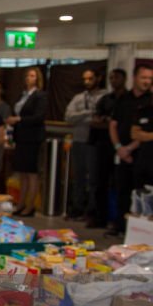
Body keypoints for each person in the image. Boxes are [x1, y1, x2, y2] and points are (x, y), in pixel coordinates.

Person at [108, 65, 153, 236]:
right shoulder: (123, 99)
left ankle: (140, 232)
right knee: (122, 190)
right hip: (122, 152)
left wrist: (131, 147)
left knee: (141, 194)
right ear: (135, 78)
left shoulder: (150, 101)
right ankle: (120, 226)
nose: (147, 82)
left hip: (143, 155)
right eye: (144, 78)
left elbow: (142, 134)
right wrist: (119, 148)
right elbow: (114, 125)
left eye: (150, 79)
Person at [64, 69, 107, 221]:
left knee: (94, 178)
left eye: (90, 78)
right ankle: (77, 207)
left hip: (95, 142)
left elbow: (102, 119)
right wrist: (87, 114)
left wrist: (84, 117)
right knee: (78, 177)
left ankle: (92, 209)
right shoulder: (78, 98)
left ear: (98, 78)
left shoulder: (104, 97)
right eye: (85, 79)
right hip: (78, 140)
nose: (87, 82)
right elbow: (69, 117)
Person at [6, 66, 47, 216]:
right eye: (27, 76)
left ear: (37, 78)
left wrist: (19, 119)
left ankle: (31, 206)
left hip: (32, 138)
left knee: (31, 173)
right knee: (22, 173)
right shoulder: (23, 95)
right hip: (21, 137)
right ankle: (21, 203)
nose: (29, 78)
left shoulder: (40, 96)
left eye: (32, 76)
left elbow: (39, 117)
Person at [91, 68, 127, 228]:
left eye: (117, 77)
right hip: (103, 145)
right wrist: (106, 122)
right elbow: (95, 120)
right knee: (100, 182)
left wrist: (108, 122)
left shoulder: (128, 99)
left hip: (123, 147)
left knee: (120, 184)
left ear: (124, 79)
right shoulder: (105, 99)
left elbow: (123, 124)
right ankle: (100, 217)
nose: (113, 80)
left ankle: (119, 220)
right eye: (111, 77)